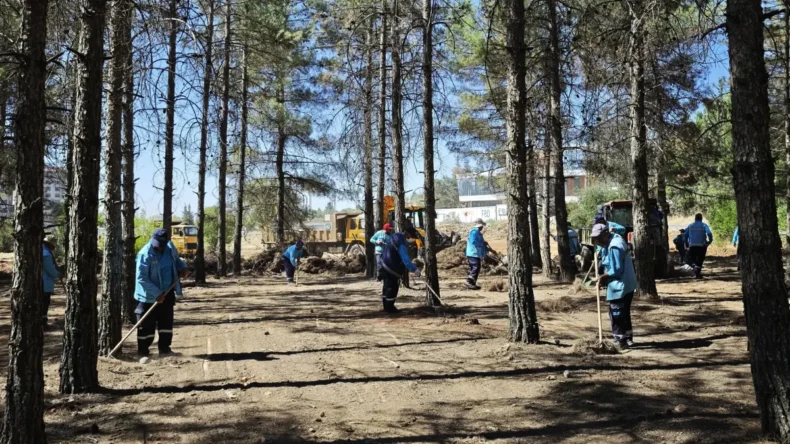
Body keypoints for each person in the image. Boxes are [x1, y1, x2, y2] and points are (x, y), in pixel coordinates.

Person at [135, 228, 189, 357]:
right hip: (148, 296)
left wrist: (183, 268)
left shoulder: (169, 248)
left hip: (168, 292)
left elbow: (176, 261)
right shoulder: (145, 254)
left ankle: (165, 350)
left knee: (166, 323)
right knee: (146, 326)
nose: (159, 247)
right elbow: (141, 278)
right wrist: (157, 293)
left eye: (162, 245)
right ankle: (143, 353)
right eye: (157, 244)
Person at [591, 223, 637, 349]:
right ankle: (628, 339)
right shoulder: (613, 239)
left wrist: (601, 278)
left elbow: (616, 270)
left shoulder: (615, 246)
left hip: (620, 285)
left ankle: (619, 340)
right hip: (627, 283)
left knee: (616, 312)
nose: (597, 241)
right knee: (624, 311)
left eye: (598, 238)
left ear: (606, 234)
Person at [378, 227, 421, 313]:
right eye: (411, 236)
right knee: (392, 287)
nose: (411, 239)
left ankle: (386, 307)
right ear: (407, 234)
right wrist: (414, 269)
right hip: (391, 267)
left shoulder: (396, 236)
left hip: (384, 264)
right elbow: (405, 259)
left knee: (386, 287)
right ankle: (390, 309)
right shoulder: (401, 241)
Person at [683, 213, 713, 279]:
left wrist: (685, 244)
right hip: (702, 245)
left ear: (695, 218)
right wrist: (709, 241)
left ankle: (695, 272)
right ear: (701, 218)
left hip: (692, 245)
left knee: (693, 259)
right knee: (700, 259)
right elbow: (709, 233)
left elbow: (685, 236)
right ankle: (697, 273)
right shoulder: (704, 225)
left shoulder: (690, 226)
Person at [466, 218, 489, 290]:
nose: (482, 228)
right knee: (476, 267)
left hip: (476, 254)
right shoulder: (474, 232)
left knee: (476, 268)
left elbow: (482, 245)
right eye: (482, 226)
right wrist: (483, 243)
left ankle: (472, 283)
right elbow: (473, 242)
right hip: (473, 253)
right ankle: (469, 281)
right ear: (479, 226)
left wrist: (489, 249)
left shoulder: (479, 233)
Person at [42, 235, 60, 325]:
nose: (54, 247)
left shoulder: (44, 251)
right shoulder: (46, 254)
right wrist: (57, 274)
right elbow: (49, 269)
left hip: (43, 281)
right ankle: (43, 321)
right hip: (44, 282)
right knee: (45, 302)